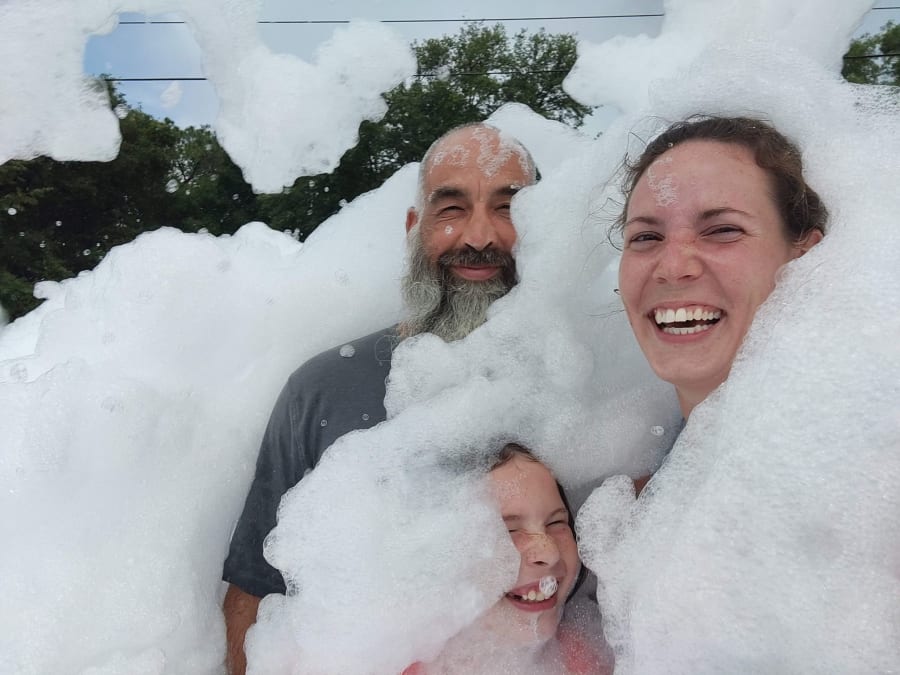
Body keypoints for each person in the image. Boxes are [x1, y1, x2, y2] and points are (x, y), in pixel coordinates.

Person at [222, 123, 538, 674]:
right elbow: (256, 596)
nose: (478, 237)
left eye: (508, 208)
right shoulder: (321, 391)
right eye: (451, 209)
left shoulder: (590, 391)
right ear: (415, 228)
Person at [616, 115, 826, 421]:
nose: (673, 267)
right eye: (646, 237)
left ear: (806, 258)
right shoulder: (623, 439)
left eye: (723, 230)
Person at [403, 444, 610, 674]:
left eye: (556, 522)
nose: (549, 553)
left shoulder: (587, 658)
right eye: (507, 530)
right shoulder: (387, 663)